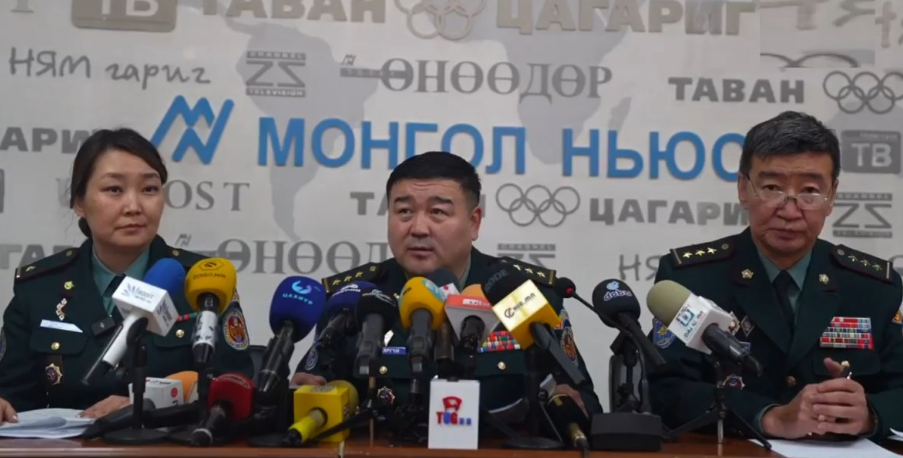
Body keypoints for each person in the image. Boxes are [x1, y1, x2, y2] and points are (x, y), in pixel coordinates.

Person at [649, 111, 903, 441]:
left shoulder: (873, 287)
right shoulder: (692, 278)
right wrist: (769, 417)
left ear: (832, 197)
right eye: (772, 188)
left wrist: (869, 414)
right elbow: (664, 391)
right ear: (743, 189)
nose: (790, 210)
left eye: (810, 190)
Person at [291, 151, 602, 418]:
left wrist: (566, 405)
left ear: (474, 222)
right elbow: (311, 387)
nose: (418, 228)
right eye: (404, 211)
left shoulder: (519, 295)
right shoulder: (356, 298)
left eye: (437, 212)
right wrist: (304, 394)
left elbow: (585, 403)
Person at [0, 128, 254, 424]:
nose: (134, 207)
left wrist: (148, 404)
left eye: (149, 189)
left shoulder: (204, 284)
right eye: (114, 190)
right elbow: (14, 397)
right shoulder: (40, 289)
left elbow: (236, 389)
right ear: (79, 202)